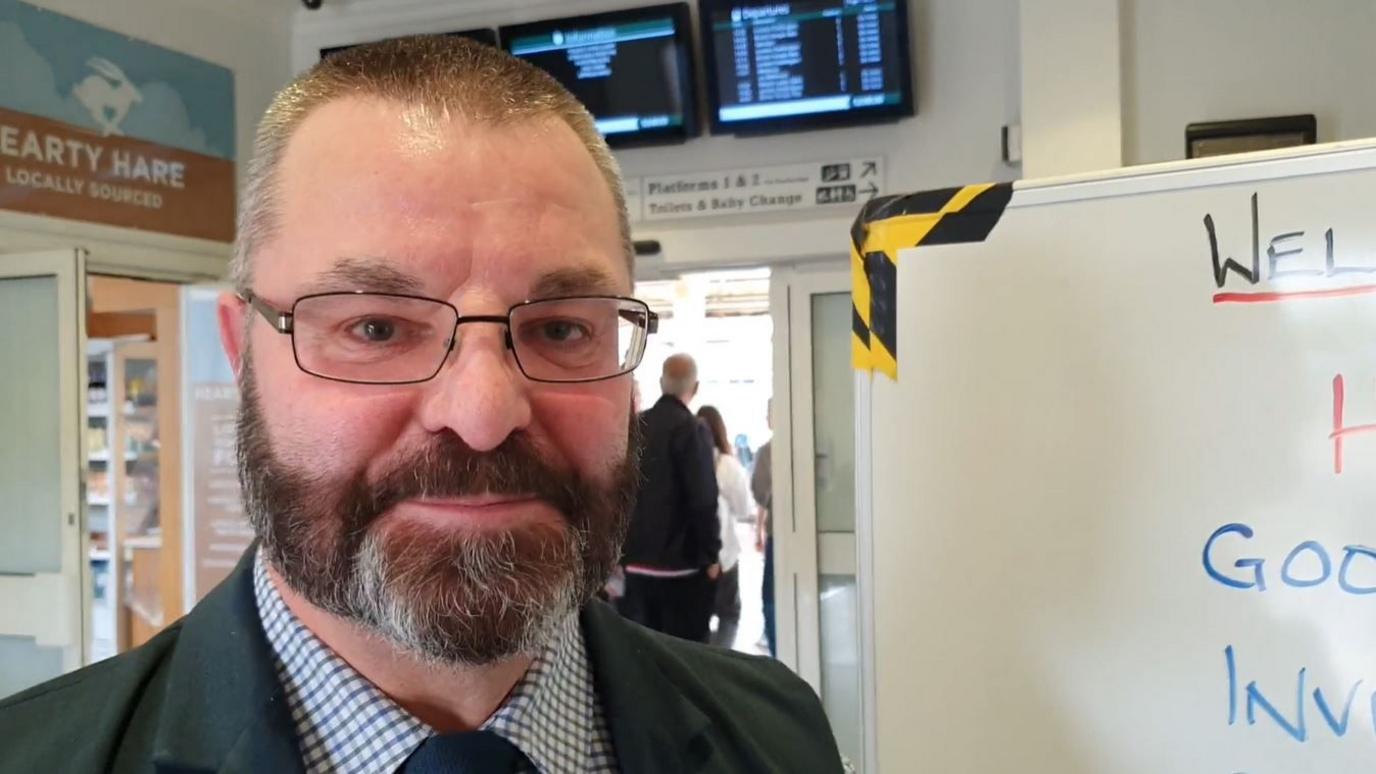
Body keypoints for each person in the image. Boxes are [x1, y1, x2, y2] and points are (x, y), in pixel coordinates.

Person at [0, 37, 842, 774]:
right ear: (240, 349)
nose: (481, 414)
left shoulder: (777, 734)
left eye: (558, 328)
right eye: (375, 326)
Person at [619, 354, 721, 643]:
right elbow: (703, 499)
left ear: (661, 383)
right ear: (696, 387)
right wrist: (711, 554)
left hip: (637, 566)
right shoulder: (692, 430)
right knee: (685, 660)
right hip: (682, 568)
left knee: (643, 658)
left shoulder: (634, 429)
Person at [696, 405, 755, 650]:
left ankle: (702, 663)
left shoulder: (687, 461)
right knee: (729, 613)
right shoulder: (727, 465)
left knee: (699, 616)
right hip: (724, 554)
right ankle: (720, 661)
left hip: (693, 556)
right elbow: (744, 508)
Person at [753, 401, 777, 658]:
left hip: (777, 534)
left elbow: (761, 495)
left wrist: (759, 530)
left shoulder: (767, 452)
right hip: (796, 534)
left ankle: (777, 649)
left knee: (770, 598)